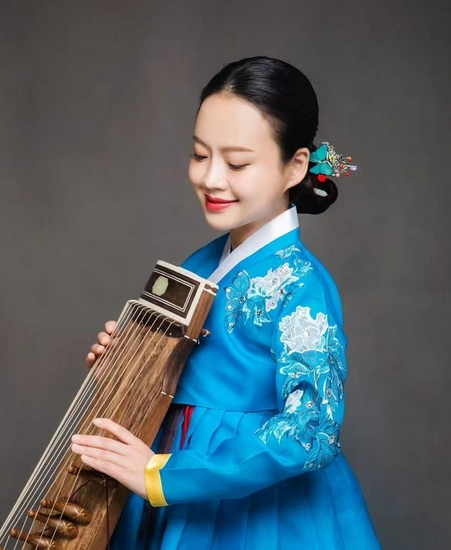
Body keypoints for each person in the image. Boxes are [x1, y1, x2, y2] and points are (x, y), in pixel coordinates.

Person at [70, 56, 380, 549]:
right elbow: (187, 377)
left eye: (236, 163)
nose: (212, 178)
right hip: (177, 478)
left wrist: (161, 474)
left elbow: (312, 430)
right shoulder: (199, 262)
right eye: (200, 155)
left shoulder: (301, 286)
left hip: (253, 507)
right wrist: (130, 365)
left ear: (296, 165)